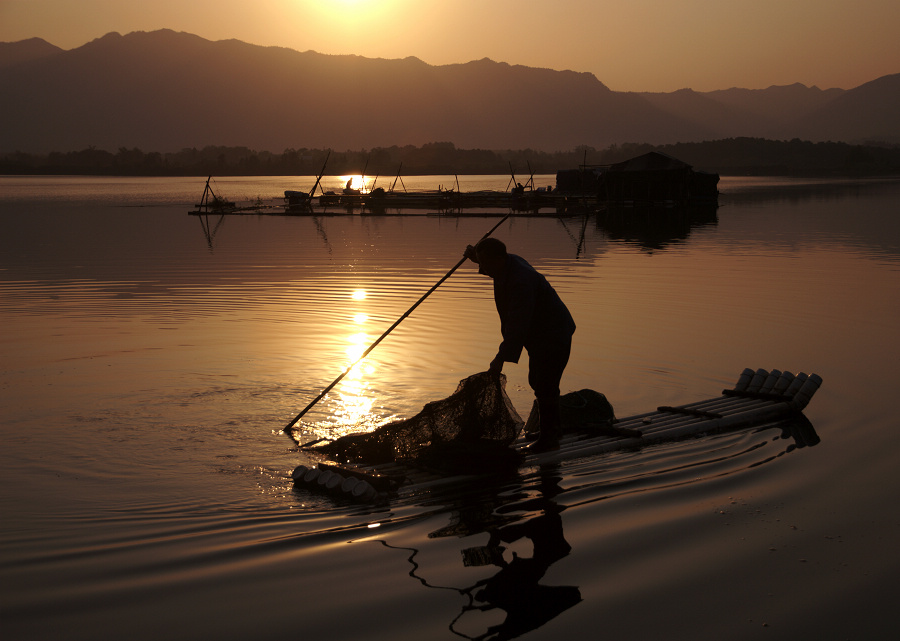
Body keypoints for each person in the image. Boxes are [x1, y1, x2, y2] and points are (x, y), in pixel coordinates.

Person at [464, 238, 576, 453]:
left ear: (499, 258)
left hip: (553, 334)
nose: (483, 269)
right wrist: (475, 259)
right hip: (539, 335)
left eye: (485, 263)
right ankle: (552, 430)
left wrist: (500, 358)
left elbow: (517, 324)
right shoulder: (508, 263)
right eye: (481, 263)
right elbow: (493, 270)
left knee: (544, 382)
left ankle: (550, 440)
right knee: (539, 381)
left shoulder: (521, 281)